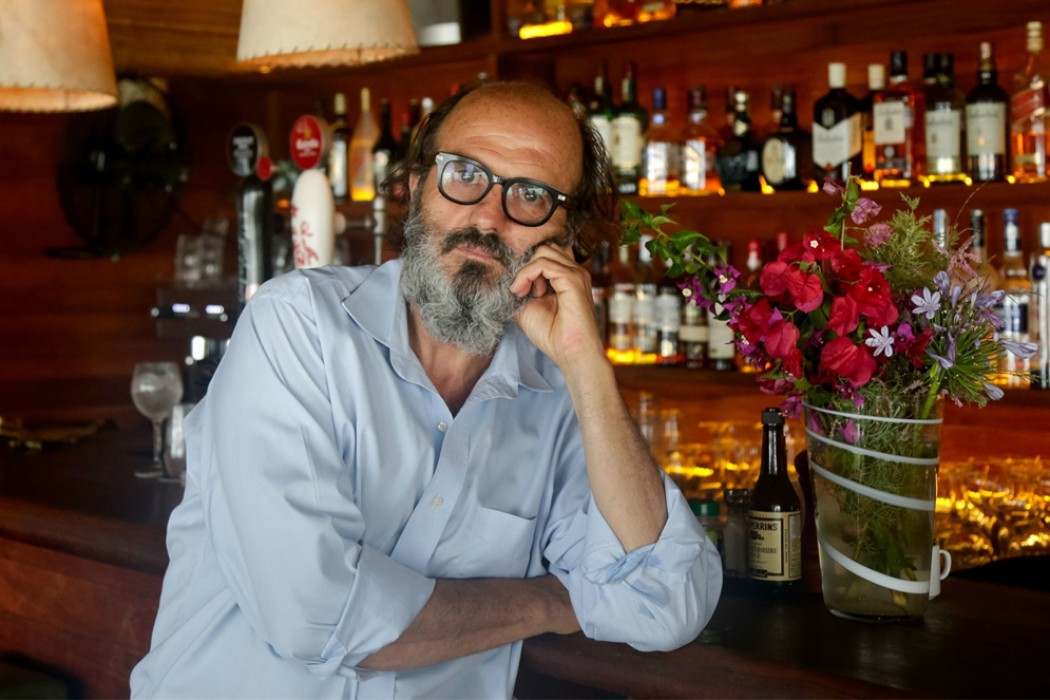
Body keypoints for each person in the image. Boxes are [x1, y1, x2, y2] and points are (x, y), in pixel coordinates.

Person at [131, 80, 721, 698]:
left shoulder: (560, 395)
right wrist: (551, 601)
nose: (487, 217)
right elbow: (315, 618)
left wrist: (586, 365)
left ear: (565, 237)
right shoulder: (299, 325)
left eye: (531, 194)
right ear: (416, 189)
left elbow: (667, 601)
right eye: (464, 174)